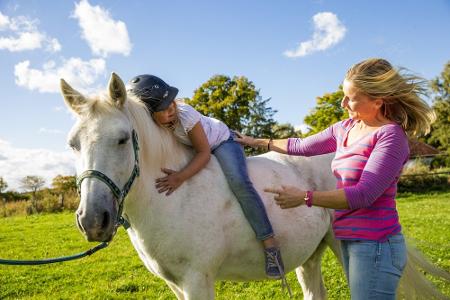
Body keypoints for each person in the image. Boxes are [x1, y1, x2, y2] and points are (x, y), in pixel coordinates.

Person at [235, 58, 436, 299]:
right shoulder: (346, 128)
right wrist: (257, 142)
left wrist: (304, 197)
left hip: (377, 245)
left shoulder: (390, 137)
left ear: (377, 102)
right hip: (351, 240)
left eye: (350, 98)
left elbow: (363, 195)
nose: (343, 103)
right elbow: (302, 146)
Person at [126, 74, 285, 279]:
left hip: (221, 142)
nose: (171, 109)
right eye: (163, 109)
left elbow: (204, 153)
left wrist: (180, 177)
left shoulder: (185, 115)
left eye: (171, 102)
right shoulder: (155, 129)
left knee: (239, 183)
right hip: (193, 147)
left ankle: (270, 243)